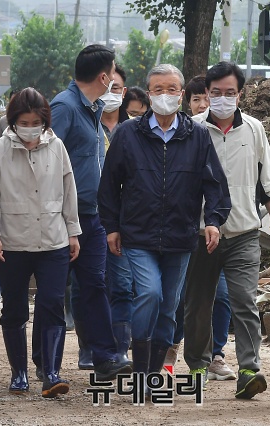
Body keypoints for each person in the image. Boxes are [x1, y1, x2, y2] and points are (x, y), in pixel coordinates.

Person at [98, 64, 231, 389]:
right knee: (149, 293)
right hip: (138, 235)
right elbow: (109, 185)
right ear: (148, 94)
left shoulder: (197, 136)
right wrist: (112, 226)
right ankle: (141, 369)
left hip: (180, 236)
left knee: (169, 306)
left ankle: (152, 373)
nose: (165, 96)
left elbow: (214, 184)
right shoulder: (128, 134)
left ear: (181, 95)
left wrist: (213, 221)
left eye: (171, 89)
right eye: (158, 90)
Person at [184, 62, 270, 399]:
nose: (223, 99)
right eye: (216, 93)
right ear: (206, 94)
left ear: (240, 94)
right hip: (198, 236)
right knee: (198, 305)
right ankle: (198, 365)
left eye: (230, 93)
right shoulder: (192, 130)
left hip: (243, 234)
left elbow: (269, 184)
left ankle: (250, 369)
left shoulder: (254, 130)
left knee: (244, 301)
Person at [0, 87, 80, 398]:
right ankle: (19, 373)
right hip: (12, 242)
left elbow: (69, 190)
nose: (30, 128)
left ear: (44, 121)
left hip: (53, 240)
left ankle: (51, 372)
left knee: (52, 303)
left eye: (35, 122)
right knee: (14, 307)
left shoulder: (57, 147)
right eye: (23, 123)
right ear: (13, 122)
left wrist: (73, 231)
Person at [49, 44, 133, 381]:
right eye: (112, 72)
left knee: (95, 285)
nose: (113, 79)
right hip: (61, 217)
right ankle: (48, 363)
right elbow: (45, 160)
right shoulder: (65, 107)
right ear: (102, 77)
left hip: (92, 216)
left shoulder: (92, 108)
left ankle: (104, 357)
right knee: (56, 291)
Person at [166, 74, 237, 384]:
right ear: (188, 101)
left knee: (219, 297)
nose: (205, 104)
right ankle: (171, 344)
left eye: (209, 98)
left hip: (219, 230)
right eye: (197, 99)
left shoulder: (241, 132)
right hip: (184, 232)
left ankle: (216, 355)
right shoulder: (184, 134)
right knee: (183, 296)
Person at [99, 63, 134, 364]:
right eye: (106, 86)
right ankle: (92, 347)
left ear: (124, 93)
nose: (111, 93)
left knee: (122, 286)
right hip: (88, 216)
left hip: (124, 220)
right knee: (92, 284)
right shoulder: (84, 123)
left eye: (117, 87)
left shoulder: (135, 130)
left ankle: (121, 349)